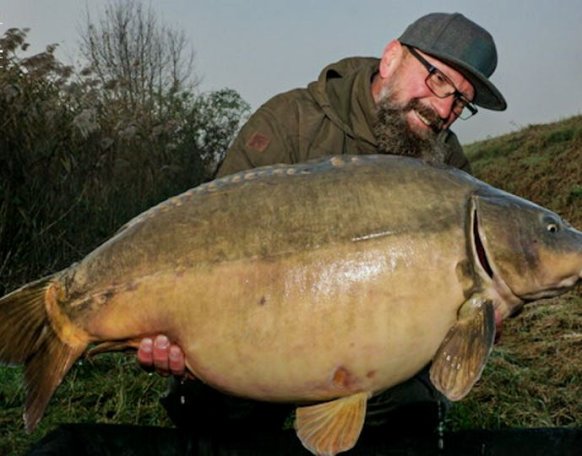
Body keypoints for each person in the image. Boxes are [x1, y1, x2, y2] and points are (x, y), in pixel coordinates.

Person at [137, 11, 507, 440]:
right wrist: (176, 330)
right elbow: (208, 236)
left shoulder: (448, 167)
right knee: (220, 419)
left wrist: (481, 320)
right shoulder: (290, 121)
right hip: (254, 338)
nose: (443, 109)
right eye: (437, 80)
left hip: (374, 361)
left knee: (410, 413)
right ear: (391, 59)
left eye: (461, 101)